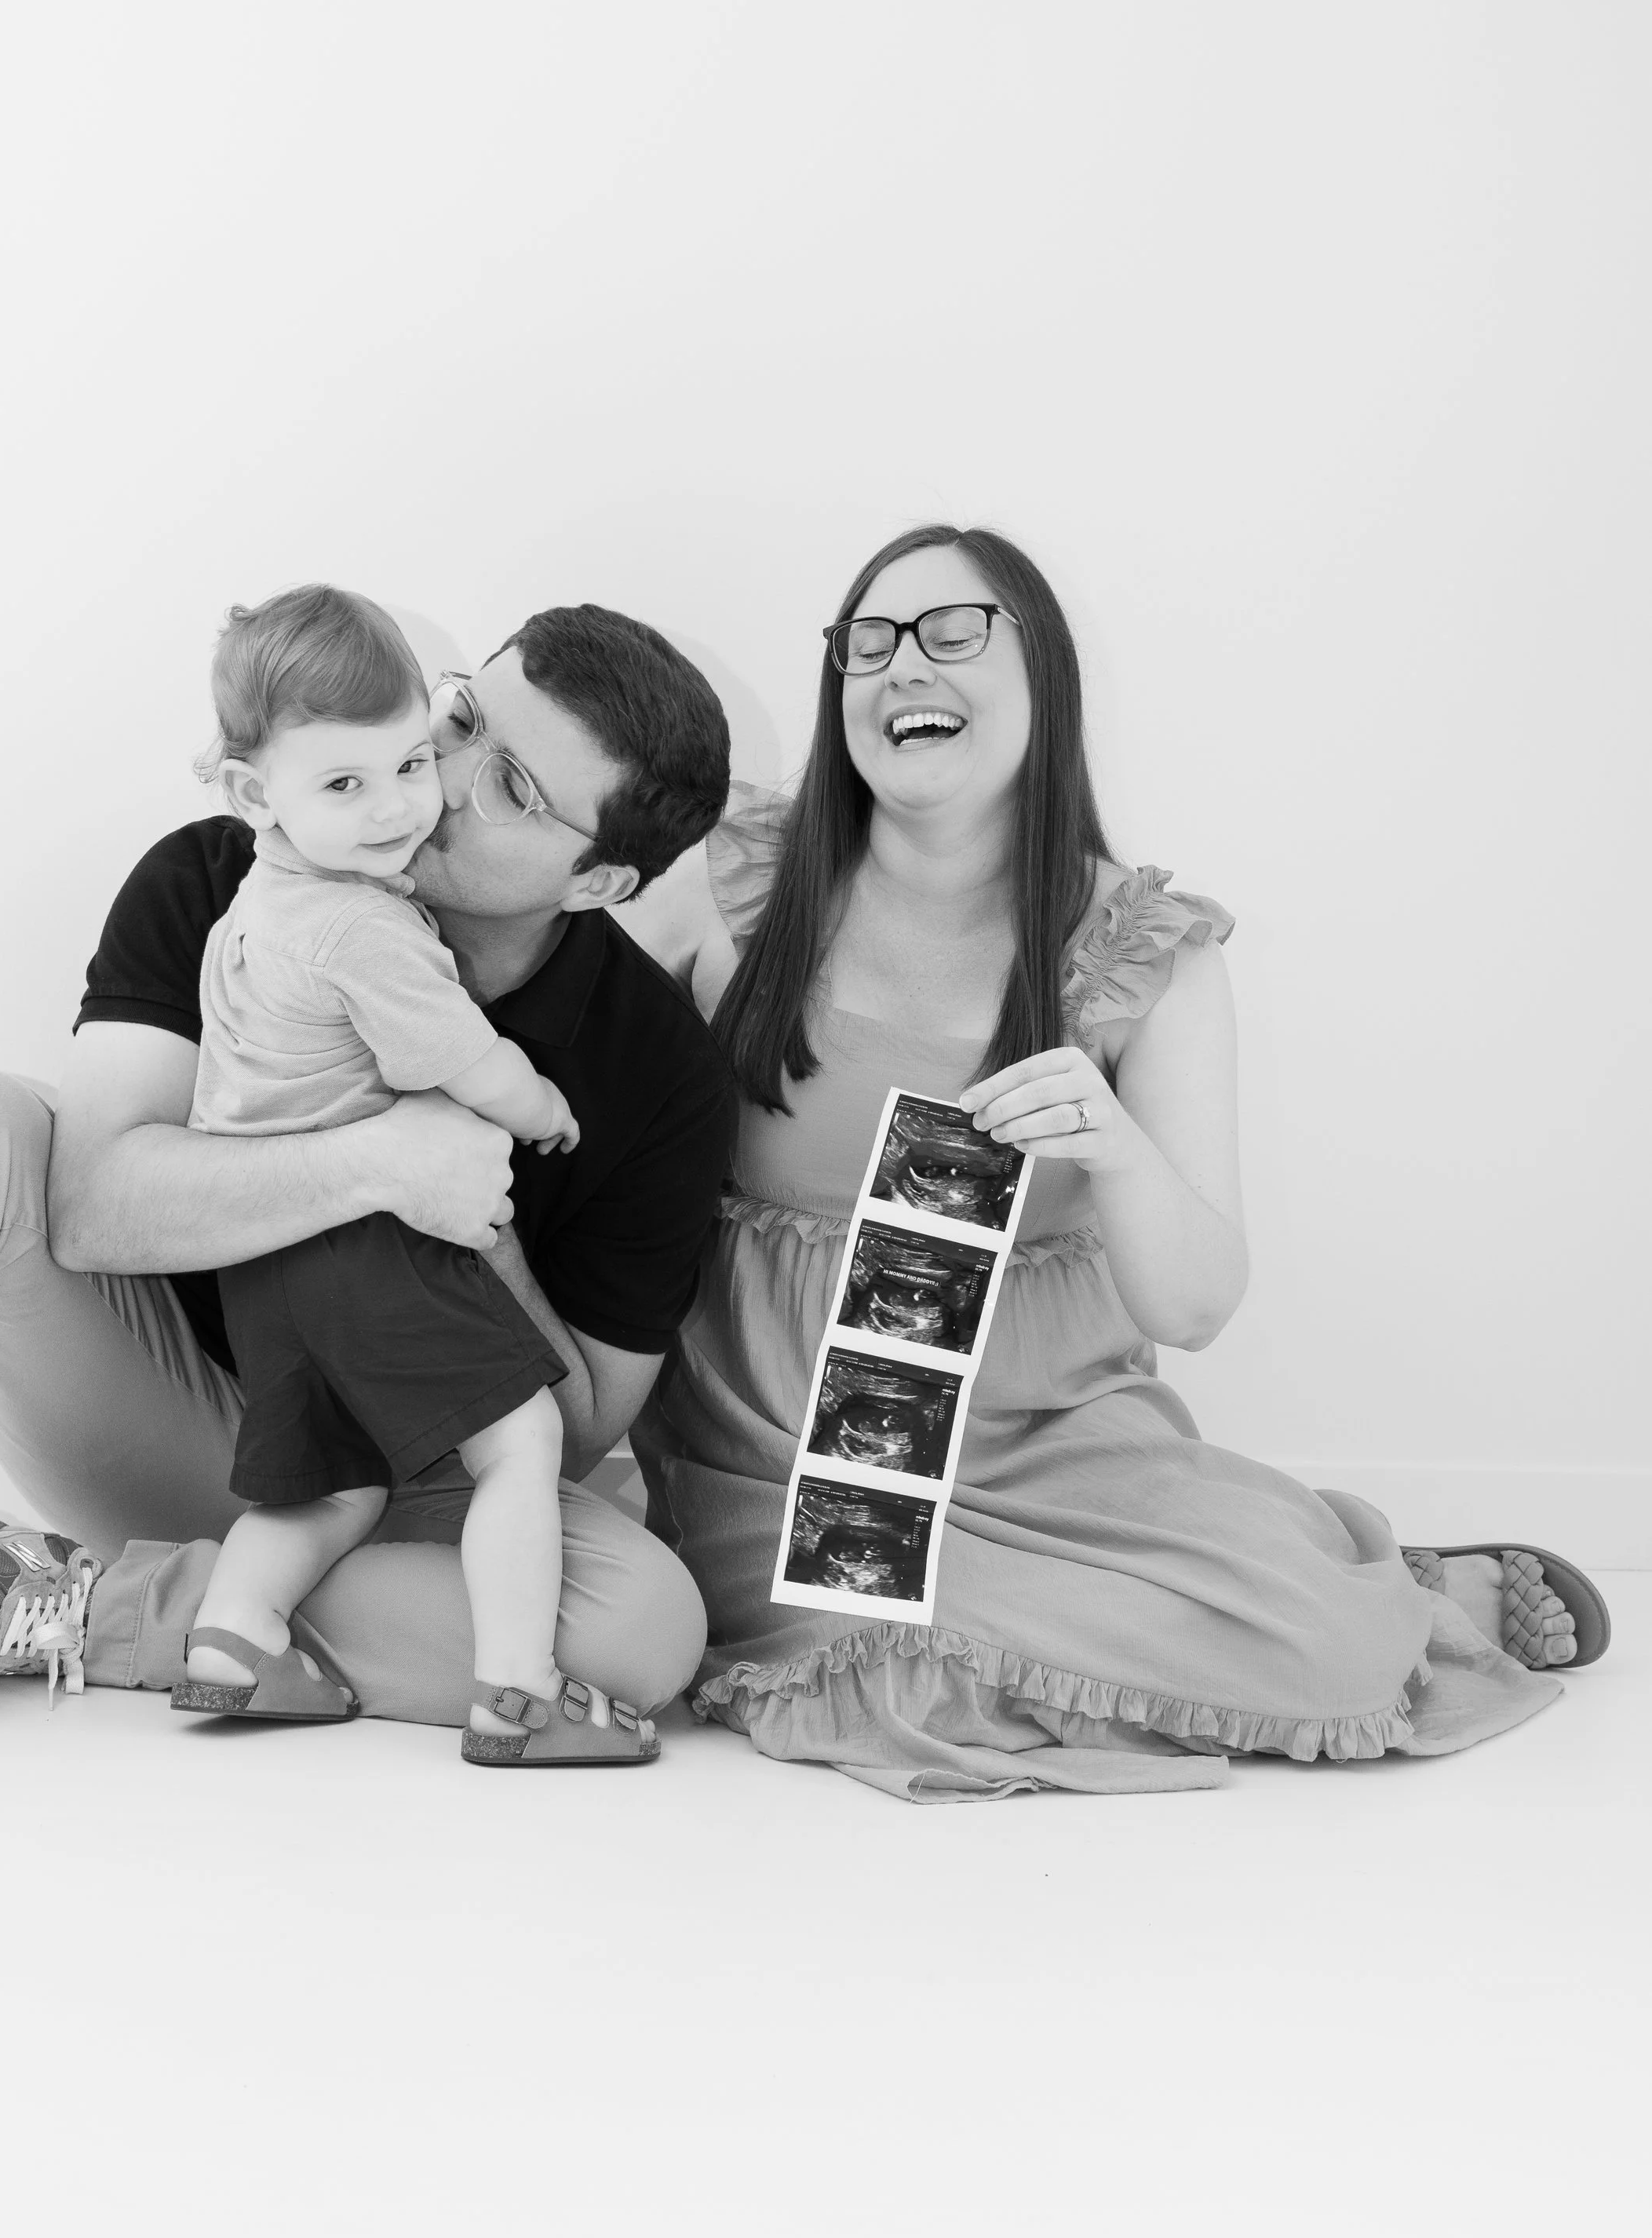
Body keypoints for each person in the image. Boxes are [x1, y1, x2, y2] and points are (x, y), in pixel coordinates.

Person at [622, 523, 1609, 1803]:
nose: (900, 666)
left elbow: (1194, 1305)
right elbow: (559, 1062)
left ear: (1047, 674)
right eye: (867, 644)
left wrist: (1117, 1147)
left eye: (952, 631)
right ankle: (1246, 1585)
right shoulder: (732, 878)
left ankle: (1382, 1583)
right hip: (782, 1442)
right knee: (886, 1666)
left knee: (1325, 1653)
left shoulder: (1147, 949)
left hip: (1045, 1428)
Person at [0, 600, 735, 1774]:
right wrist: (378, 1161)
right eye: (461, 714)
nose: (434, 773)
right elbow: (93, 1204)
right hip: (168, 1404)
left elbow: (586, 1425)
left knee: (646, 1631)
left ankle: (74, 1603)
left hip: (394, 1484)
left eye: (511, 788)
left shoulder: (664, 1073)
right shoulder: (225, 881)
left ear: (597, 882)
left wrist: (478, 1223)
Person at [174, 583, 655, 1767]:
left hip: (268, 1263)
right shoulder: (362, 926)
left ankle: (235, 1635)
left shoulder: (257, 906)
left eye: (406, 762)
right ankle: (517, 1691)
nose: (400, 807)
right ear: (252, 793)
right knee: (524, 1442)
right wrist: (538, 1104)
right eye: (345, 785)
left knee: (332, 1486)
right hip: (362, 1243)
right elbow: (452, 1053)